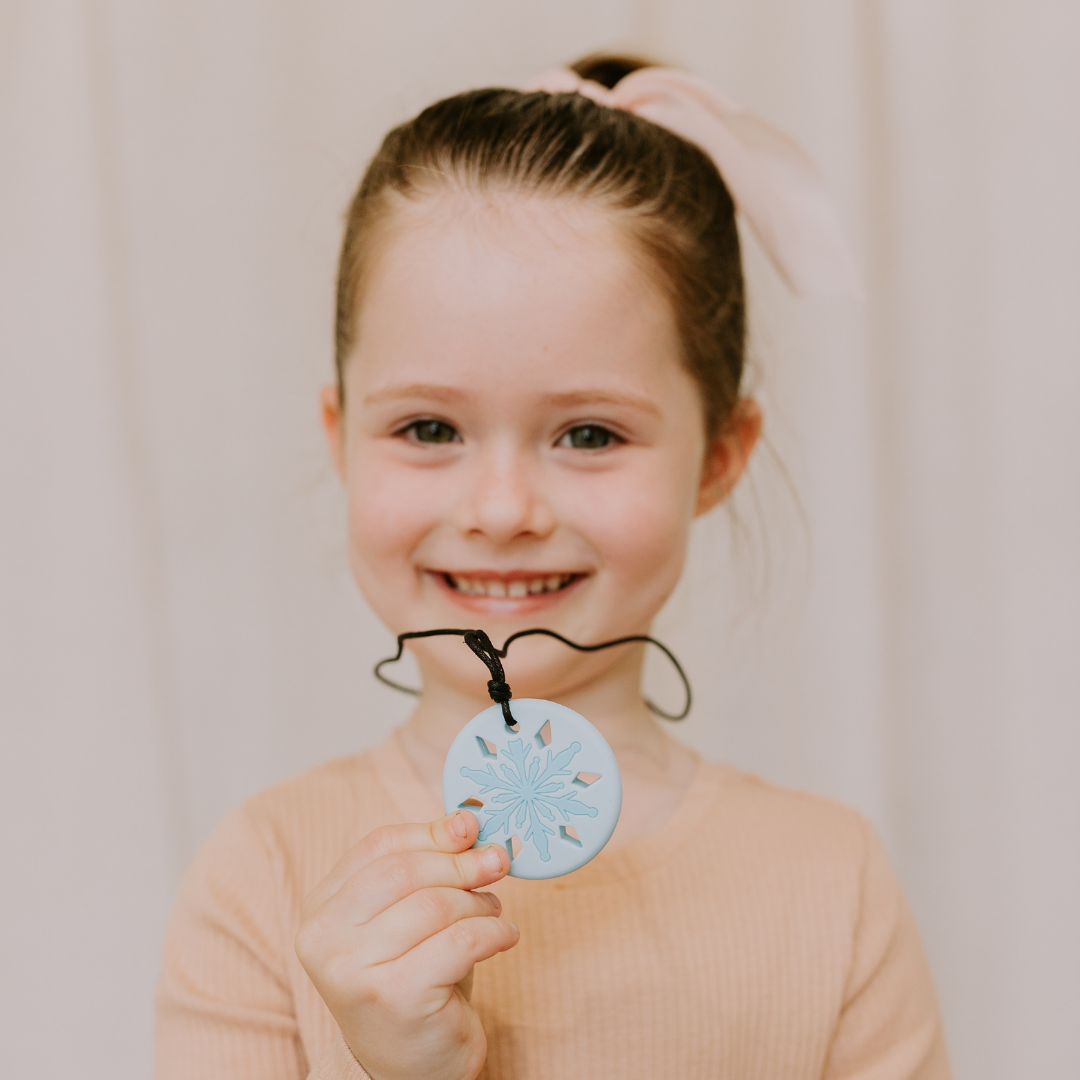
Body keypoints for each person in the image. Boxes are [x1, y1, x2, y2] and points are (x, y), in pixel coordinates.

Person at [155, 54, 949, 1080]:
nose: (501, 511)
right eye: (429, 426)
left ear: (719, 454)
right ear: (339, 433)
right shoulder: (265, 876)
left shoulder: (831, 884)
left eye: (587, 435)